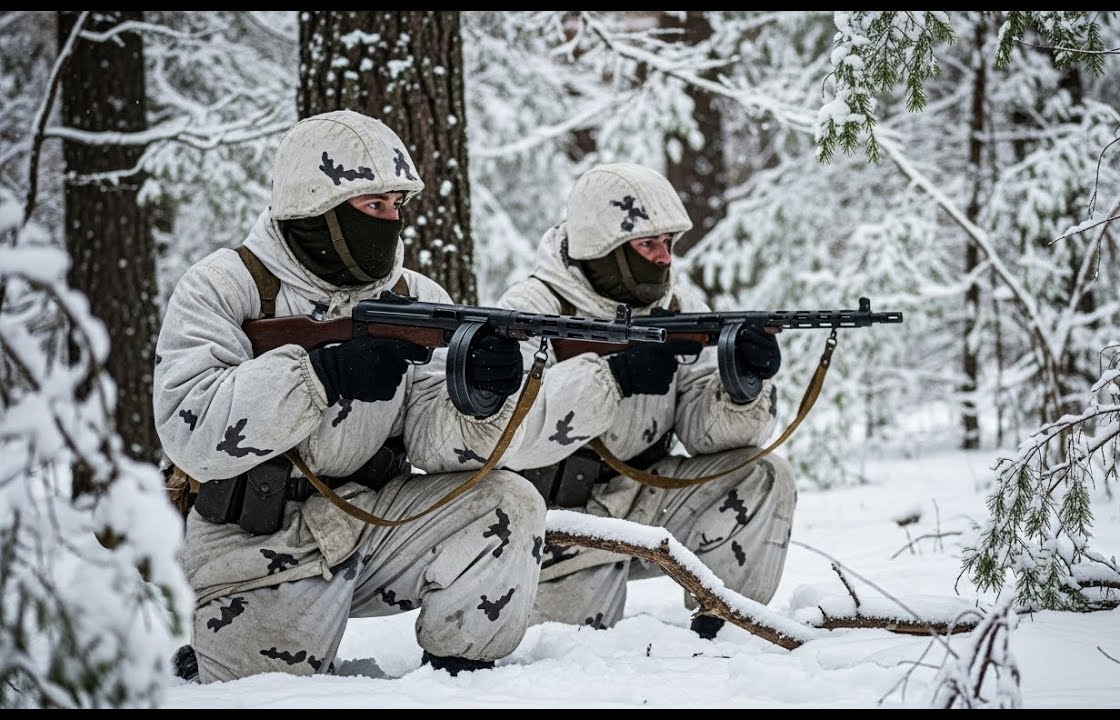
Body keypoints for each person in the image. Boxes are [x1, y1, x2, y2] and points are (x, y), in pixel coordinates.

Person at [153, 109, 546, 682]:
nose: (391, 223)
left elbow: (438, 446)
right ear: (319, 208)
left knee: (508, 501)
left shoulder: (416, 297)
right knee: (264, 698)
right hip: (257, 547)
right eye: (373, 207)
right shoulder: (224, 286)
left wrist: (478, 395)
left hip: (373, 522)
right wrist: (318, 377)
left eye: (396, 207)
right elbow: (192, 433)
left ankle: (462, 680)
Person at [494, 162, 797, 638]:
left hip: (647, 497)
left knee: (763, 474)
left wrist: (741, 387)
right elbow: (512, 434)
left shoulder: (679, 309)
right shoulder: (532, 310)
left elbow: (704, 436)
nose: (663, 259)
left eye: (668, 244)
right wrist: (615, 375)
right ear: (604, 248)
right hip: (557, 518)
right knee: (559, 659)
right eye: (647, 244)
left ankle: (731, 628)